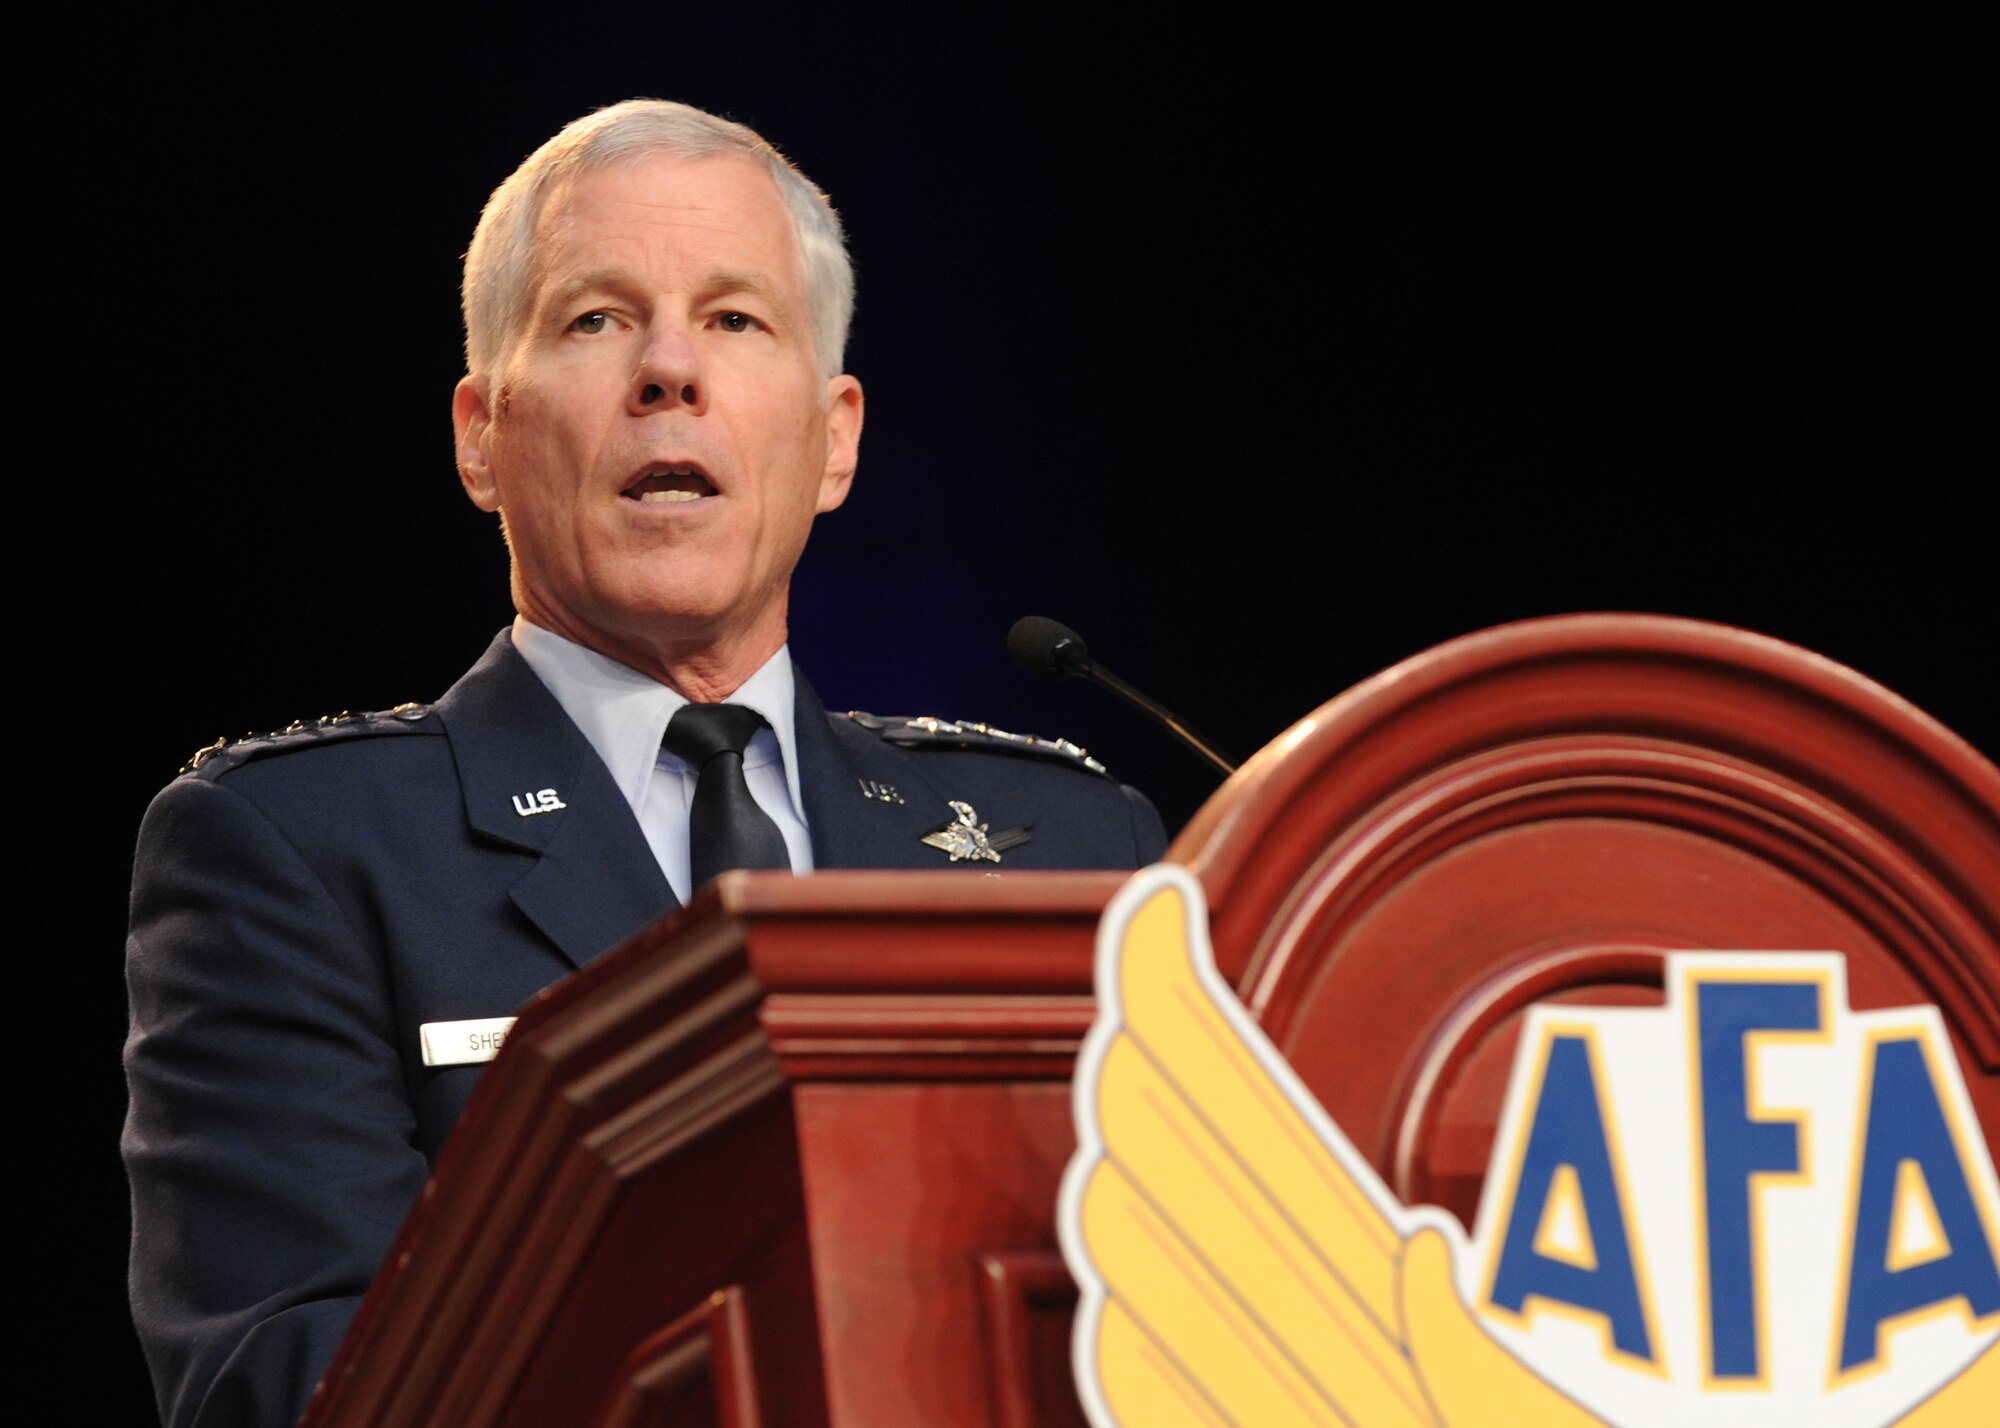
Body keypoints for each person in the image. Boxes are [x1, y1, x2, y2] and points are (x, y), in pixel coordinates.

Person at [123, 99, 1165, 1428]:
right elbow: (289, 1388)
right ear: (480, 434)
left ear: (835, 436)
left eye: (736, 320)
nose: (671, 368)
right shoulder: (298, 855)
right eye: (595, 320)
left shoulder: (1079, 848)